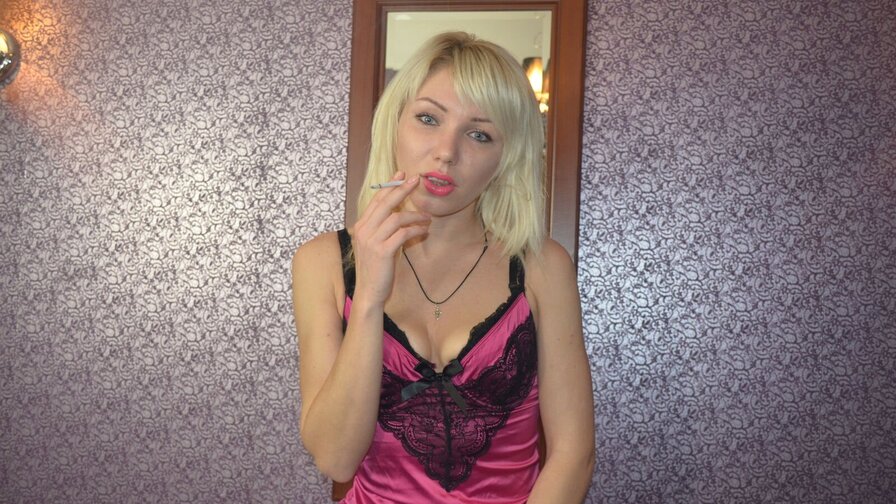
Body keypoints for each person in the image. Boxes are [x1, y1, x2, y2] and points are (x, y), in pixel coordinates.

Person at [291, 31, 594, 503]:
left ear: (505, 158)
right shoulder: (323, 263)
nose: (447, 151)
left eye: (479, 134)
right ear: (395, 122)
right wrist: (368, 296)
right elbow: (335, 458)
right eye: (428, 118)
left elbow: (574, 454)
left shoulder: (542, 267)